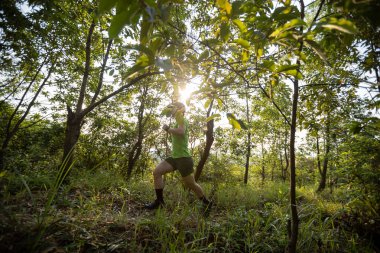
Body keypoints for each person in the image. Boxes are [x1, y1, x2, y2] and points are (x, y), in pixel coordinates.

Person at [145, 102, 212, 213]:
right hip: (175, 157)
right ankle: (159, 202)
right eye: (170, 107)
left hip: (184, 159)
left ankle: (206, 203)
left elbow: (181, 132)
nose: (171, 110)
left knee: (191, 184)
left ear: (180, 109)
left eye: (173, 108)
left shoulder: (181, 118)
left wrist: (168, 129)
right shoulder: (178, 120)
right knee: (157, 172)